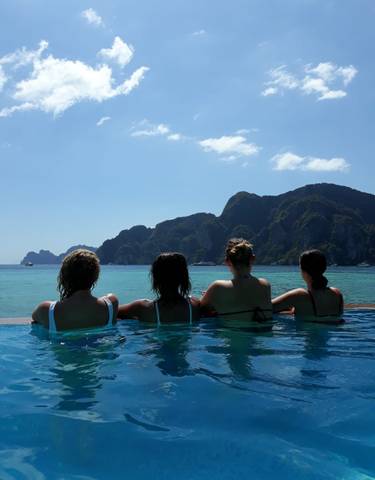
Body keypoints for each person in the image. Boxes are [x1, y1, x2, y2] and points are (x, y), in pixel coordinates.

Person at [32, 249, 118, 332]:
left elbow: (34, 317)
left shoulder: (47, 310)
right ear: (95, 277)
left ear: (64, 277)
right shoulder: (111, 304)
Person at [200, 238, 272, 322]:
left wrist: (213, 297)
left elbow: (200, 309)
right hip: (264, 333)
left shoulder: (218, 287)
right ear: (253, 258)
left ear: (227, 262)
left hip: (233, 333)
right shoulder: (265, 285)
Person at [117, 252, 199, 325]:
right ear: (184, 278)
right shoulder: (194, 305)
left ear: (155, 278)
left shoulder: (143, 308)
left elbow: (111, 310)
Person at [272, 249, 344, 322]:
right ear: (324, 268)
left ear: (303, 271)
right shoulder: (337, 294)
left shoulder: (299, 295)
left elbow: (266, 307)